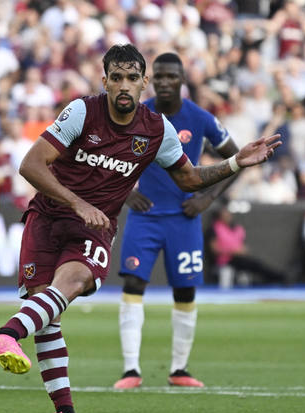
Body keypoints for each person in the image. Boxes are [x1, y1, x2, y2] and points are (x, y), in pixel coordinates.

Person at [0, 44, 281, 413]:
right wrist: (76, 201)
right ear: (104, 81)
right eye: (116, 77)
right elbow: (31, 164)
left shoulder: (157, 130)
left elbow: (188, 179)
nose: (124, 85)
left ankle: (5, 335)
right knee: (45, 312)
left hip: (94, 225)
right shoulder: (82, 111)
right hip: (47, 217)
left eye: (132, 78)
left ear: (143, 83)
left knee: (69, 285)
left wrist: (236, 162)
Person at [113, 52, 240, 391]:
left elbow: (237, 158)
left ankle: (179, 369)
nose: (165, 82)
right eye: (160, 76)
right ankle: (130, 370)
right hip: (145, 216)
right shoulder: (136, 113)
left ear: (183, 80)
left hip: (184, 218)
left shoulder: (200, 118)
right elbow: (107, 156)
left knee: (184, 289)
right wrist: (126, 193)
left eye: (172, 76)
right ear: (151, 80)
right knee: (133, 285)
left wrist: (208, 198)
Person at [207, 205, 286, 286]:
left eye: (229, 213)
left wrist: (242, 250)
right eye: (224, 213)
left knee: (256, 264)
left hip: (238, 258)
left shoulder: (237, 228)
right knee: (255, 265)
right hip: (224, 260)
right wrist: (234, 251)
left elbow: (240, 245)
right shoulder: (214, 228)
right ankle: (279, 277)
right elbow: (214, 250)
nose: (227, 216)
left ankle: (276, 278)